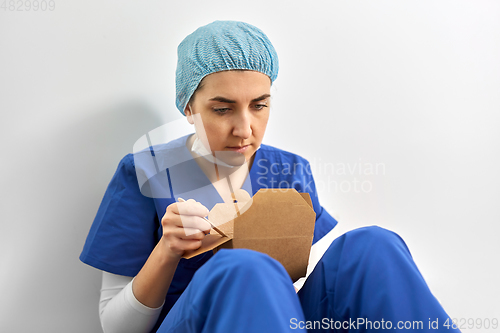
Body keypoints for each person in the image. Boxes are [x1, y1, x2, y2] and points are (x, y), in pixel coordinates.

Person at [80, 20, 460, 333]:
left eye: (259, 105)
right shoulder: (145, 172)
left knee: (372, 246)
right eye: (222, 109)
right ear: (189, 106)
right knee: (246, 266)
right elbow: (116, 328)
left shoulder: (289, 171)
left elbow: (298, 287)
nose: (245, 129)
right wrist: (167, 250)